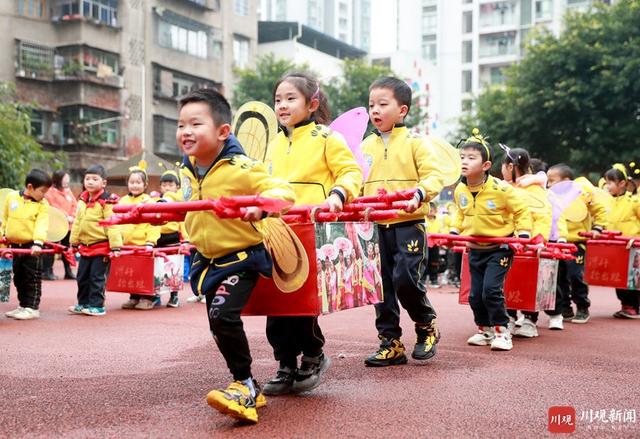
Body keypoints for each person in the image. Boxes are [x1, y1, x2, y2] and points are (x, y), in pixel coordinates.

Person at [177, 88, 295, 424]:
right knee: (218, 321)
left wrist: (262, 205)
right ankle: (246, 383)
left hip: (242, 257)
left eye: (195, 124)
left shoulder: (242, 167)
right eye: (181, 124)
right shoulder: (188, 169)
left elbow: (282, 191)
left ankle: (243, 385)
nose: (186, 131)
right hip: (206, 259)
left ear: (222, 131)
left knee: (223, 315)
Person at [262, 72, 362, 394]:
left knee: (303, 305)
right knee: (276, 305)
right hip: (276, 232)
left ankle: (314, 355)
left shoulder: (327, 138)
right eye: (278, 99)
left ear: (312, 103)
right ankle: (285, 364)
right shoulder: (272, 144)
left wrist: (338, 195)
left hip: (311, 230)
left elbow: (350, 171)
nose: (282, 105)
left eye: (291, 98)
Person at [361, 77, 443, 366]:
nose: (375, 110)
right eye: (372, 105)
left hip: (408, 222)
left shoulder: (416, 143)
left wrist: (418, 194)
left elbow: (434, 176)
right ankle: (390, 342)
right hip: (373, 227)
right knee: (380, 285)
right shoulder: (364, 146)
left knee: (405, 279)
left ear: (403, 110)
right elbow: (354, 180)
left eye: (383, 104)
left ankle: (425, 323)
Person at [451, 129, 532, 351]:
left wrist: (523, 232)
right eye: (462, 157)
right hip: (474, 248)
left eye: (471, 158)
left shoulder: (501, 188)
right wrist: (454, 230)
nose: (464, 162)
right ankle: (484, 330)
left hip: (500, 247)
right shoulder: (460, 189)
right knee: (475, 294)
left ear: (485, 165)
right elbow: (459, 213)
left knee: (491, 290)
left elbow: (521, 209)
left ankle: (502, 331)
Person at [500, 147, 567, 335]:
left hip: (528, 244)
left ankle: (530, 320)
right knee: (508, 280)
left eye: (503, 166)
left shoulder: (534, 188)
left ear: (510, 166)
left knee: (529, 280)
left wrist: (538, 240)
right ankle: (510, 316)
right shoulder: (505, 187)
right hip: (508, 241)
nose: (502, 170)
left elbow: (542, 216)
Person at [547, 164, 607, 324]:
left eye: (552, 180)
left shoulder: (582, 193)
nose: (549, 184)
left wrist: (598, 228)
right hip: (556, 244)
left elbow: (599, 209)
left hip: (576, 243)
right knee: (558, 278)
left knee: (575, 275)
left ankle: (582, 306)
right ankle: (565, 308)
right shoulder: (549, 196)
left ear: (566, 181)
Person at [68, 165, 122, 316]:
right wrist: (73, 242)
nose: (90, 182)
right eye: (87, 178)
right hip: (85, 247)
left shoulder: (107, 201)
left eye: (94, 179)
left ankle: (97, 305)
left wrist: (116, 246)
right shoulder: (83, 199)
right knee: (82, 276)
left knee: (96, 277)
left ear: (103, 183)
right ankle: (83, 303)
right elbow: (78, 222)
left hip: (101, 246)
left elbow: (112, 224)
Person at [2, 169, 52, 320]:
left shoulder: (42, 204)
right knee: (18, 277)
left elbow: (42, 224)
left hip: (31, 246)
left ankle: (32, 308)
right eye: (42, 191)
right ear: (30, 187)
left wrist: (38, 243)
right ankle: (23, 305)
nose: (44, 195)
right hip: (14, 246)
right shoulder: (11, 197)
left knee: (32, 277)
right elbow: (5, 218)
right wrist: (3, 235)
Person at [118, 166, 161, 310]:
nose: (134, 185)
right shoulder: (122, 201)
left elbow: (154, 224)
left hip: (143, 243)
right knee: (131, 272)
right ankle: (134, 297)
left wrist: (151, 241)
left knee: (144, 273)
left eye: (138, 182)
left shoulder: (150, 202)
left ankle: (148, 298)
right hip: (127, 244)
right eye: (132, 182)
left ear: (145, 185)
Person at [603, 164, 640, 319]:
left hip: (632, 246)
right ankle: (625, 304)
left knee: (632, 278)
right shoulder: (605, 202)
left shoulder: (634, 202)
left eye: (610, 183)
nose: (607, 186)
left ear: (622, 184)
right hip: (614, 246)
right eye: (606, 182)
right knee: (618, 278)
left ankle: (632, 305)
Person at [155, 170, 190, 308]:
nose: (167, 187)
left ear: (177, 187)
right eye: (164, 185)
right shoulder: (156, 202)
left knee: (173, 268)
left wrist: (186, 239)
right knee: (157, 269)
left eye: (170, 184)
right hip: (158, 239)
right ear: (160, 187)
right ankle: (156, 296)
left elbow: (183, 222)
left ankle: (174, 296)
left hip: (173, 238)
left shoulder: (178, 204)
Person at [43, 170, 77, 280]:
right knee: (51, 249)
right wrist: (66, 216)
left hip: (68, 226)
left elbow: (74, 205)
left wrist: (72, 216)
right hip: (55, 226)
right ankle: (47, 271)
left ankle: (68, 271)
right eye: (65, 178)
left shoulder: (68, 192)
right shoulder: (50, 192)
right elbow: (54, 206)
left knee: (66, 248)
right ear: (58, 179)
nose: (67, 181)